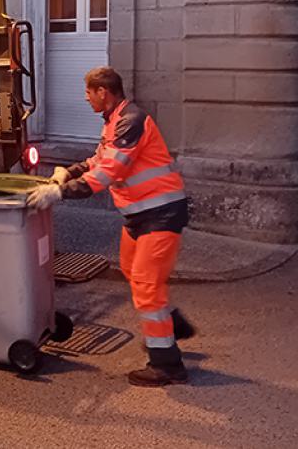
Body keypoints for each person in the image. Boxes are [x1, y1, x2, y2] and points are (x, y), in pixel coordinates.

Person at [26, 66, 195, 387]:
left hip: (160, 214)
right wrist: (69, 171)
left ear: (103, 92)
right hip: (142, 215)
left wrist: (58, 191)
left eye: (88, 92)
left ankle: (167, 365)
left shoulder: (130, 121)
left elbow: (108, 174)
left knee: (146, 286)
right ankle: (174, 328)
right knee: (134, 273)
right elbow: (97, 161)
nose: (86, 97)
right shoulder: (117, 121)